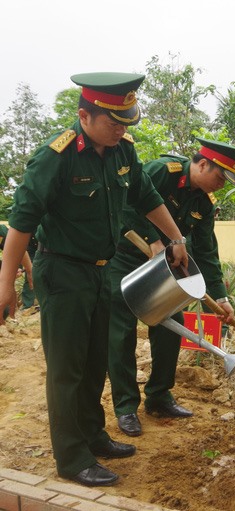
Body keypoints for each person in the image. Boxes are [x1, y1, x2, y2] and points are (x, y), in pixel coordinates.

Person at [0, 72, 189, 487]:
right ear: (84, 116)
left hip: (103, 272)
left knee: (94, 363)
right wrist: (6, 282)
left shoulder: (122, 151)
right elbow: (22, 222)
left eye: (126, 122)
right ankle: (71, 458)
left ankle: (93, 435)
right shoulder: (56, 156)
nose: (121, 129)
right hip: (63, 272)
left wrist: (175, 237)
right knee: (67, 369)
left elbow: (147, 197)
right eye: (113, 121)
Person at [108, 137, 235, 437]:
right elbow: (128, 201)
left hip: (165, 269)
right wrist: (153, 239)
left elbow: (207, 251)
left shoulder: (204, 203)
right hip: (126, 257)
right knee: (121, 331)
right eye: (220, 176)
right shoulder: (164, 171)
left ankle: (159, 396)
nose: (222, 185)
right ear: (202, 164)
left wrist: (221, 298)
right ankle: (125, 407)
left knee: (172, 323)